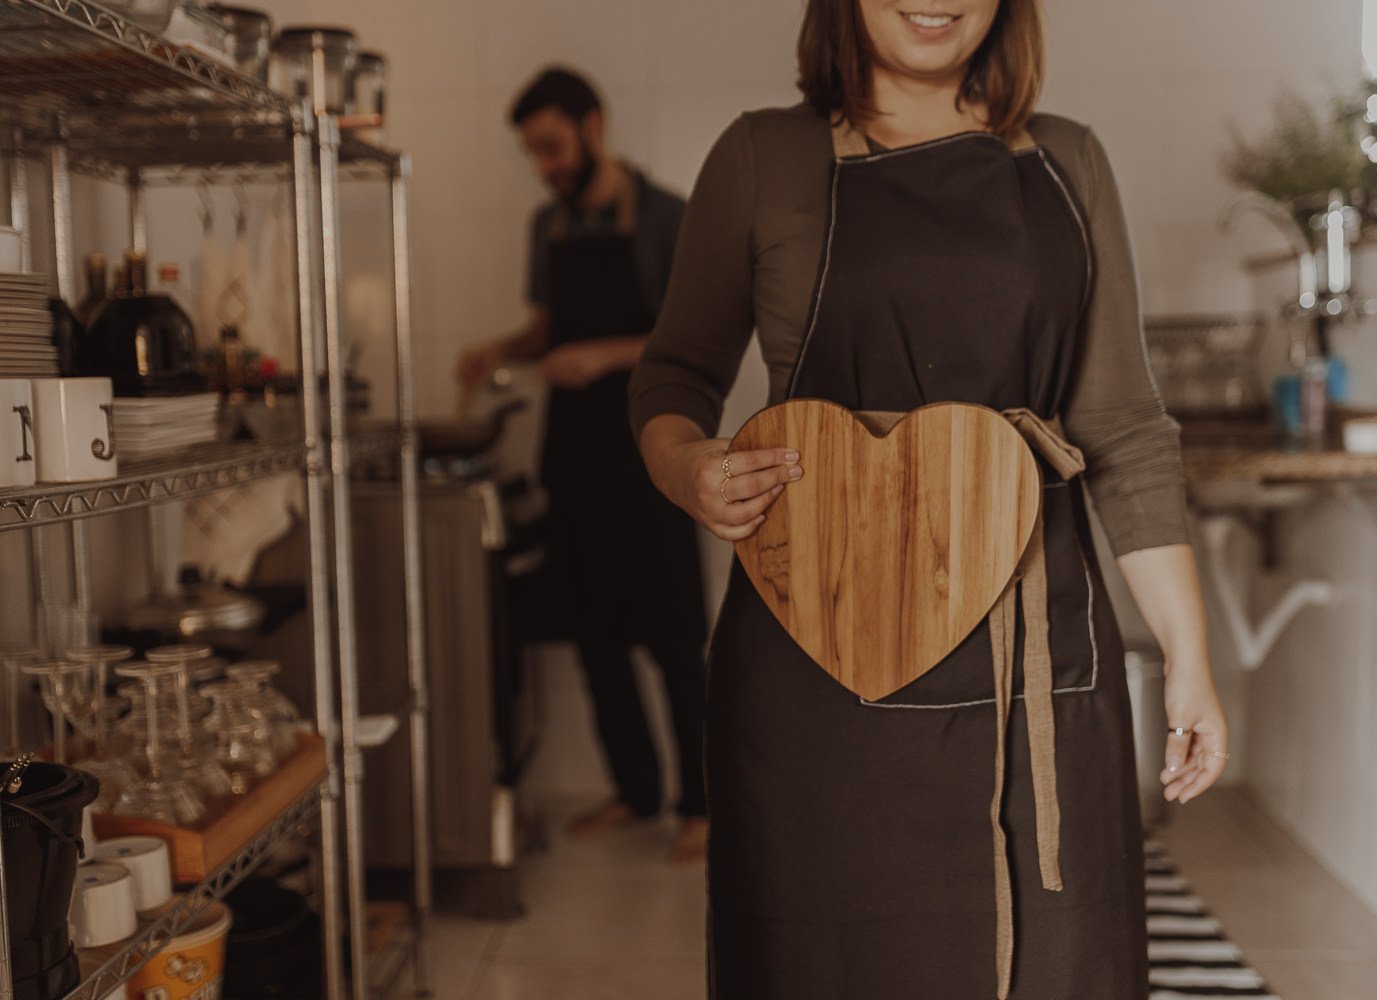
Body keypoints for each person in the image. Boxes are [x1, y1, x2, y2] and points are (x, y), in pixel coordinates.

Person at [626, 0, 1230, 995]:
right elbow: (672, 378)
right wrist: (687, 466)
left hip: (1037, 656)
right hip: (817, 660)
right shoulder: (761, 159)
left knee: (1057, 959)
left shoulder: (1070, 162)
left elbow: (1122, 428)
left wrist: (1190, 658)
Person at [457, 66, 710, 864]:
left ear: (593, 125)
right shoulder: (548, 225)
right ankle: (635, 793)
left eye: (554, 147)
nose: (547, 166)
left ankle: (702, 807)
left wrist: (602, 357)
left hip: (655, 450)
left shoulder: (667, 215)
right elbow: (545, 329)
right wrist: (499, 347)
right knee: (597, 637)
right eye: (535, 153)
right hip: (572, 455)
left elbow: (696, 340)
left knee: (673, 637)